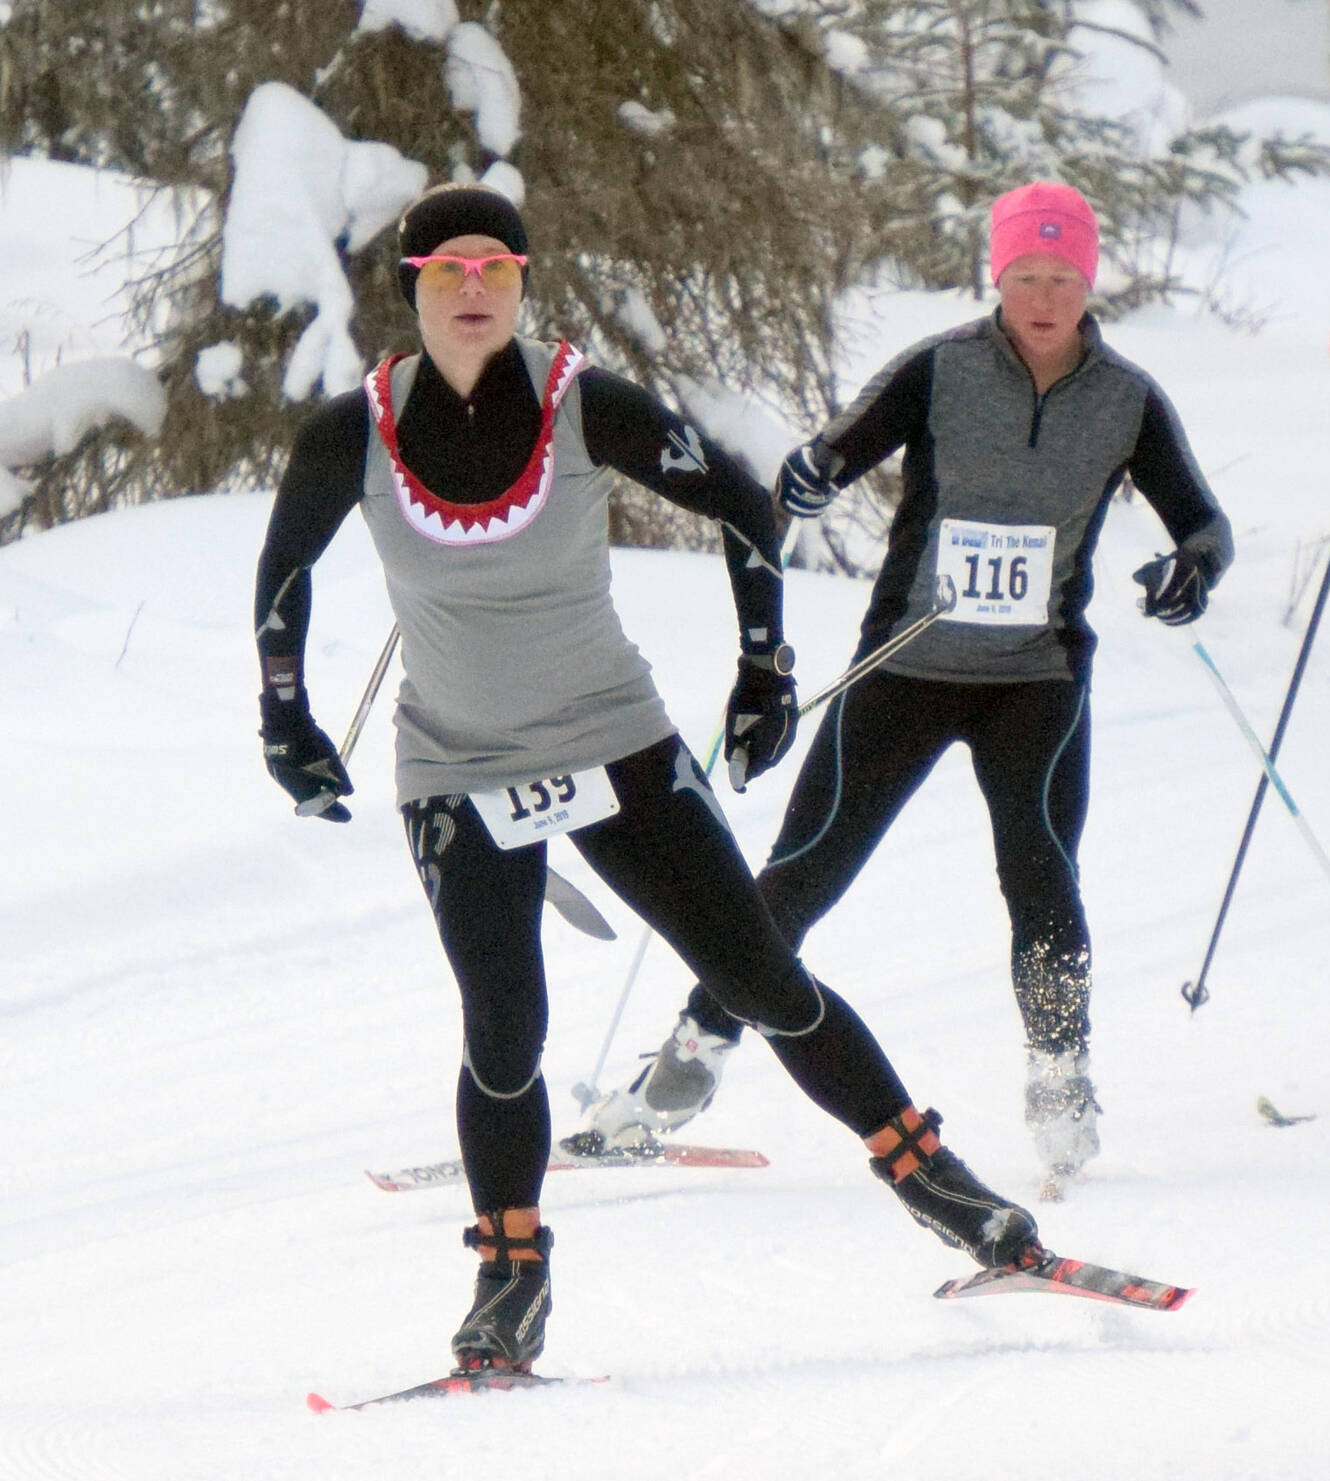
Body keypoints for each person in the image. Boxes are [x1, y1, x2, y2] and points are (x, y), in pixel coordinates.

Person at [252, 182, 1043, 1374]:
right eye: (447, 270)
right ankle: (510, 1273)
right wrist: (286, 717)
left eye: (496, 269)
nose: (473, 290)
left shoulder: (582, 402)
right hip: (459, 766)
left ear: (523, 280)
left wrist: (763, 667)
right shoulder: (352, 431)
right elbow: (282, 570)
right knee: (504, 1023)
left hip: (614, 742)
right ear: (410, 285)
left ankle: (936, 1180)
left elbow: (736, 502)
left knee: (762, 978)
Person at [576, 181, 1233, 1192]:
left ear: (1087, 281)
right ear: (996, 277)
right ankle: (691, 1056)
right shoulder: (941, 368)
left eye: (1063, 277)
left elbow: (1202, 522)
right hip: (906, 663)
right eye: (1025, 276)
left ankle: (1059, 1068)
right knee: (799, 874)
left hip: (1036, 677)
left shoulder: (1128, 399)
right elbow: (840, 446)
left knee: (1039, 869)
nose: (1045, 295)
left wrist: (1189, 569)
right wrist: (809, 473)